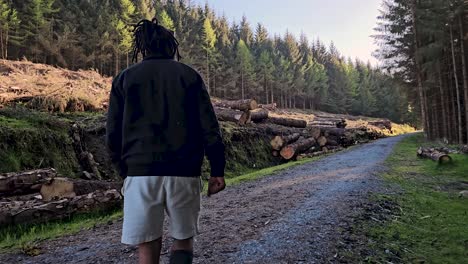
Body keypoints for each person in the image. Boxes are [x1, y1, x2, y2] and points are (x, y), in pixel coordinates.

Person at [106, 18, 226, 264]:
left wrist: (124, 170)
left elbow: (112, 133)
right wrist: (217, 170)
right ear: (172, 46)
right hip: (184, 172)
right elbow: (210, 129)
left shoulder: (124, 78)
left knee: (147, 245)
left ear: (143, 47)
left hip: (139, 174)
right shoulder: (189, 76)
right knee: (183, 238)